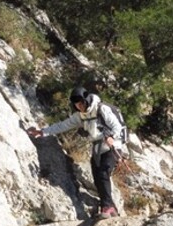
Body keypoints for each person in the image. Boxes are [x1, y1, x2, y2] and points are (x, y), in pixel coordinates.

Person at [27, 87, 124, 218]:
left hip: (113, 145)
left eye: (81, 103)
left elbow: (117, 126)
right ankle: (110, 208)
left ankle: (107, 206)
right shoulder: (80, 116)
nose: (80, 106)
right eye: (77, 104)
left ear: (87, 100)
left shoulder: (102, 109)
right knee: (97, 178)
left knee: (103, 173)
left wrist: (112, 136)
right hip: (97, 148)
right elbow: (63, 125)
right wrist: (43, 132)